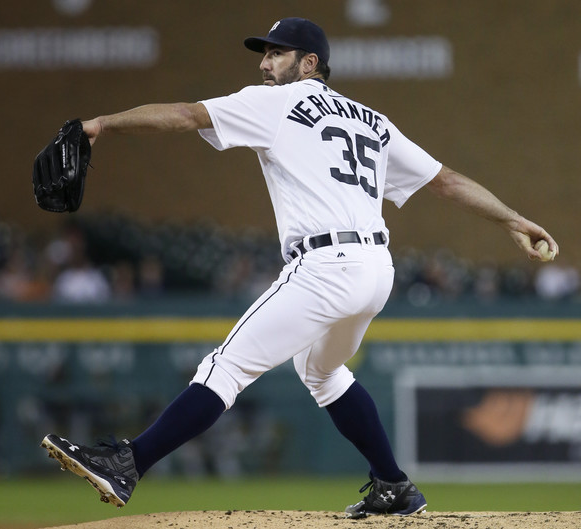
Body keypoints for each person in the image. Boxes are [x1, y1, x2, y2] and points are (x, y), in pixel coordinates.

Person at [40, 17, 559, 518]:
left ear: (309, 63)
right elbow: (445, 180)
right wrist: (513, 219)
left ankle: (129, 463)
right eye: (264, 53)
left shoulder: (277, 102)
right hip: (376, 268)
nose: (265, 63)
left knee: (227, 367)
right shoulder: (371, 119)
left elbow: (183, 114)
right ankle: (394, 485)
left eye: (275, 53)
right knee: (322, 371)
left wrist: (100, 124)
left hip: (325, 265)